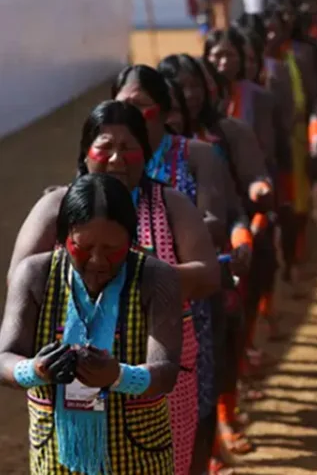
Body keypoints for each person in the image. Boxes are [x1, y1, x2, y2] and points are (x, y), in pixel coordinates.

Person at [0, 173, 183, 474]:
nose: (98, 261)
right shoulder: (34, 275)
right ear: (63, 238)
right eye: (83, 248)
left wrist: (118, 375)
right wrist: (35, 370)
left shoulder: (156, 279)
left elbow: (165, 372)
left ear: (131, 239)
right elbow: (3, 359)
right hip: (57, 459)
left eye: (113, 251)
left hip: (136, 459)